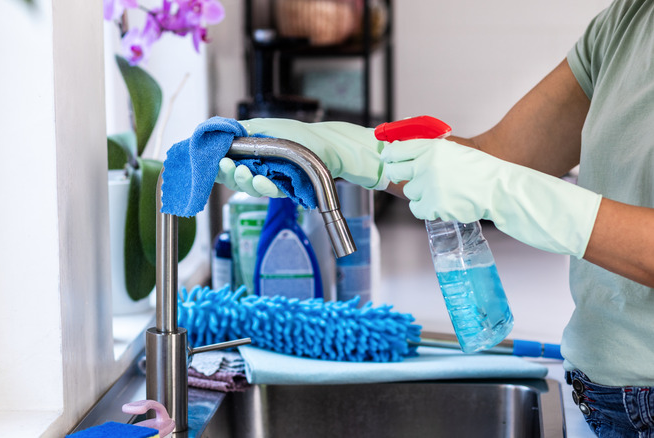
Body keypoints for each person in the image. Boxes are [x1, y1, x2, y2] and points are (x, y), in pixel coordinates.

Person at [216, 0, 654, 436]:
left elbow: (501, 177)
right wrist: (350, 152)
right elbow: (501, 156)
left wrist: (505, 191)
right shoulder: (628, 20)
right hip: (597, 395)